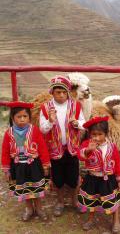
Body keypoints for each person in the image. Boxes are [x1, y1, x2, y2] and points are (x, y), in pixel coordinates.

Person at [39, 75, 86, 216]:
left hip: (72, 149)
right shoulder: (45, 108)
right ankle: (60, 202)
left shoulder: (76, 106)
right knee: (58, 178)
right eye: (57, 92)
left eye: (64, 92)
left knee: (73, 177)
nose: (61, 95)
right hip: (55, 149)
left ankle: (74, 201)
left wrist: (77, 123)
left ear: (68, 92)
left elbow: (84, 123)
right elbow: (42, 129)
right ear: (52, 92)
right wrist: (51, 121)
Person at [1, 101, 50, 221]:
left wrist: (45, 165)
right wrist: (6, 169)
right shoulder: (9, 133)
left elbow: (43, 147)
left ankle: (39, 209)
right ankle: (29, 209)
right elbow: (5, 152)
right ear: (13, 118)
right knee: (25, 189)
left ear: (29, 117)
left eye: (25, 116)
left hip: (34, 165)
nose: (22, 119)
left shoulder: (35, 130)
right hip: (18, 166)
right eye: (19, 116)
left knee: (36, 188)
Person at [77, 116, 120, 233]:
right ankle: (91, 219)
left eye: (100, 134)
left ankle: (116, 219)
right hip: (92, 178)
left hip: (109, 179)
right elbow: (80, 155)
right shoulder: (86, 144)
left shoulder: (112, 147)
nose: (96, 138)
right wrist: (89, 150)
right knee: (92, 199)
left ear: (106, 134)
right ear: (89, 134)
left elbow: (117, 164)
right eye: (93, 134)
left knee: (113, 199)